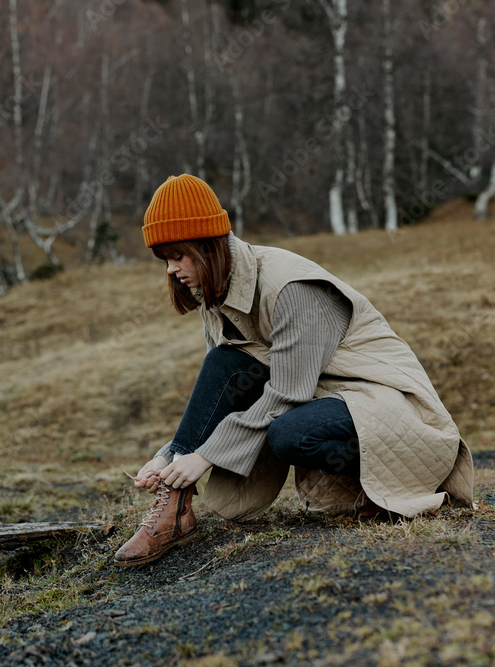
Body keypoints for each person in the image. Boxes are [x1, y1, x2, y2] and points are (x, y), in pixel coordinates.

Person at [113, 174, 475, 567]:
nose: (170, 269)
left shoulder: (290, 287)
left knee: (288, 433)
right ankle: (175, 508)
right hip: (332, 400)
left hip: (389, 405)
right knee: (225, 362)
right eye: (164, 259)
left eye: (177, 256)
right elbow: (223, 388)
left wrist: (205, 458)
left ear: (207, 246)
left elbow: (288, 394)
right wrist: (171, 455)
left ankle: (404, 482)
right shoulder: (216, 292)